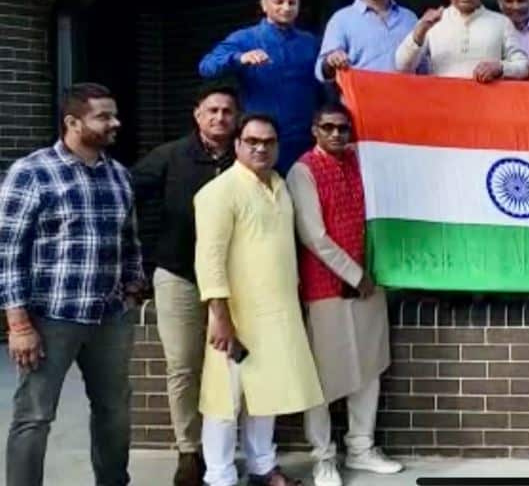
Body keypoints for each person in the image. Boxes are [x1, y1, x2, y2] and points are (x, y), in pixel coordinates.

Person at [1, 83, 146, 486]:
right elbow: (8, 251)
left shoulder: (117, 174)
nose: (115, 123)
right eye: (103, 116)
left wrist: (133, 286)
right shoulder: (32, 172)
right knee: (34, 415)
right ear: (72, 122)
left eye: (114, 114)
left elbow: (129, 239)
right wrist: (18, 325)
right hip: (51, 319)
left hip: (111, 318)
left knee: (113, 411)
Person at [194, 114, 324, 486]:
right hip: (235, 315)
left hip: (276, 312)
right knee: (225, 400)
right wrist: (219, 315)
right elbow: (210, 258)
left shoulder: (280, 186)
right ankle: (219, 477)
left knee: (266, 394)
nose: (260, 148)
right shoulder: (219, 192)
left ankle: (262, 467)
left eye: (268, 142)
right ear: (236, 145)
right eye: (251, 141)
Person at [131, 83, 240, 486]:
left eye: (227, 112)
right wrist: (142, 260)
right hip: (178, 275)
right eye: (212, 110)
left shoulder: (244, 159)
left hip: (233, 280)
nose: (219, 118)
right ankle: (188, 451)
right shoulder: (168, 157)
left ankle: (222, 453)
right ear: (197, 115)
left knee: (228, 366)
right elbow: (127, 197)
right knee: (182, 365)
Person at [285, 104, 401, 486]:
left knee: (370, 367)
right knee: (323, 375)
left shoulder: (360, 161)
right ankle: (323, 457)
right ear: (314, 130)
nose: (336, 134)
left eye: (343, 128)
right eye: (328, 128)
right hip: (326, 287)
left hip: (370, 283)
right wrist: (354, 274)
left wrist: (375, 273)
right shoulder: (303, 171)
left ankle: (361, 447)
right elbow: (313, 235)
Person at [198, 0, 322, 174]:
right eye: (279, 2)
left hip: (304, 142)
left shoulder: (310, 42)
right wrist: (239, 58)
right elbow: (206, 66)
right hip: (261, 143)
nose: (286, 8)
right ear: (264, 4)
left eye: (292, 2)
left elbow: (324, 88)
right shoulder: (246, 38)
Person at [395, 0, 528, 81]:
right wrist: (420, 32)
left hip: (487, 102)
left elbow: (523, 66)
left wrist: (500, 67)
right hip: (441, 101)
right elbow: (402, 67)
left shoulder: (501, 23)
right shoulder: (432, 22)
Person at [316, 0, 421, 81]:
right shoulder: (341, 19)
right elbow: (322, 71)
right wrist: (331, 60)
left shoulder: (410, 19)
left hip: (404, 99)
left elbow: (423, 68)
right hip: (360, 99)